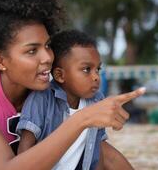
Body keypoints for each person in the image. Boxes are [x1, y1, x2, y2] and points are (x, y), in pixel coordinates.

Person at [0, 0, 146, 169]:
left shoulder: (49, 94)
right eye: (32, 51)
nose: (47, 57)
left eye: (48, 45)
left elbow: (101, 153)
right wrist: (83, 119)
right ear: (0, 60)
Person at [16, 30, 133, 170]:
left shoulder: (97, 101)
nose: (96, 76)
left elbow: (97, 151)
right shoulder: (41, 99)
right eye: (86, 69)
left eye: (98, 69)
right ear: (60, 75)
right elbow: (25, 149)